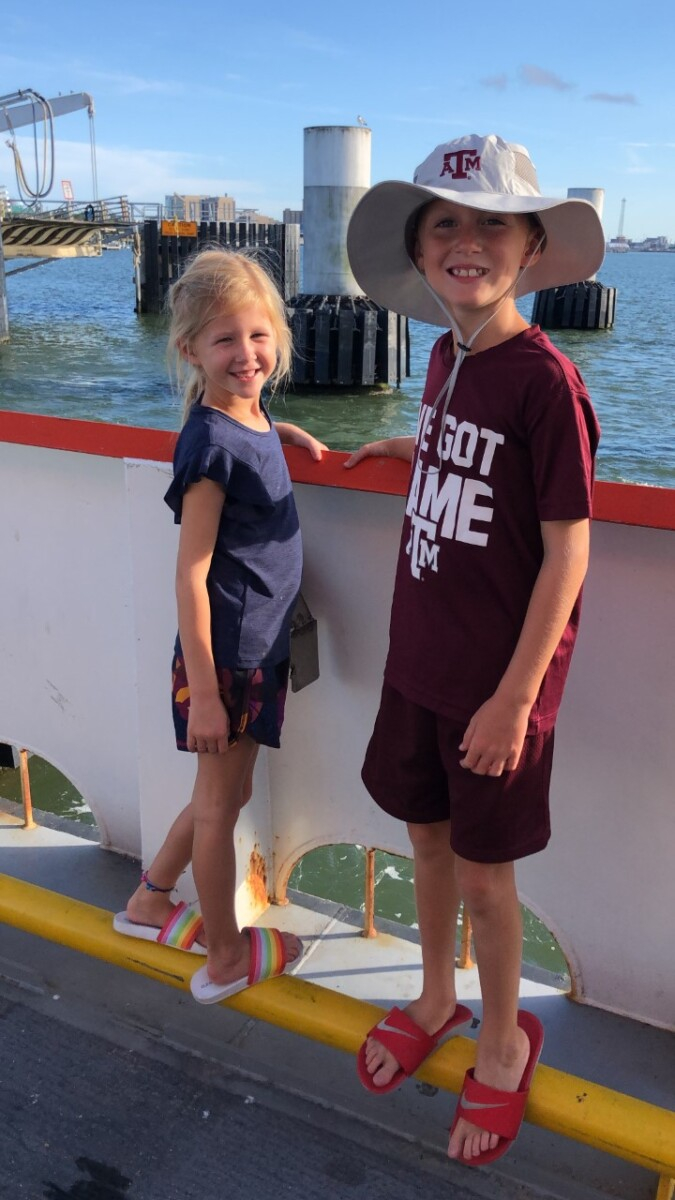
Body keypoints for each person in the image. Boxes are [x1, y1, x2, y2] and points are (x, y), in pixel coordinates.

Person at [344, 134, 604, 1166]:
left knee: (489, 881)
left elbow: (569, 554)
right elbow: (474, 456)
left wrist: (514, 700)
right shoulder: (449, 357)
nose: (467, 243)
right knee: (426, 844)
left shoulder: (548, 382)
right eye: (445, 223)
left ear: (532, 249)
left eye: (492, 224)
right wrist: (412, 447)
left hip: (498, 690)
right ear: (419, 251)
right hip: (423, 663)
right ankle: (436, 998)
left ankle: (502, 1043)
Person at [114, 248, 326, 1005]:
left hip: (256, 649)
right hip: (228, 660)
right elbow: (190, 574)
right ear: (190, 350)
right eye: (226, 341)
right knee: (217, 806)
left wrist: (282, 432)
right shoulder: (208, 448)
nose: (247, 354)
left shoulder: (245, 417)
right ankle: (227, 956)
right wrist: (204, 693)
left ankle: (149, 901)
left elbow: (249, 432)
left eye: (259, 335)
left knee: (223, 797)